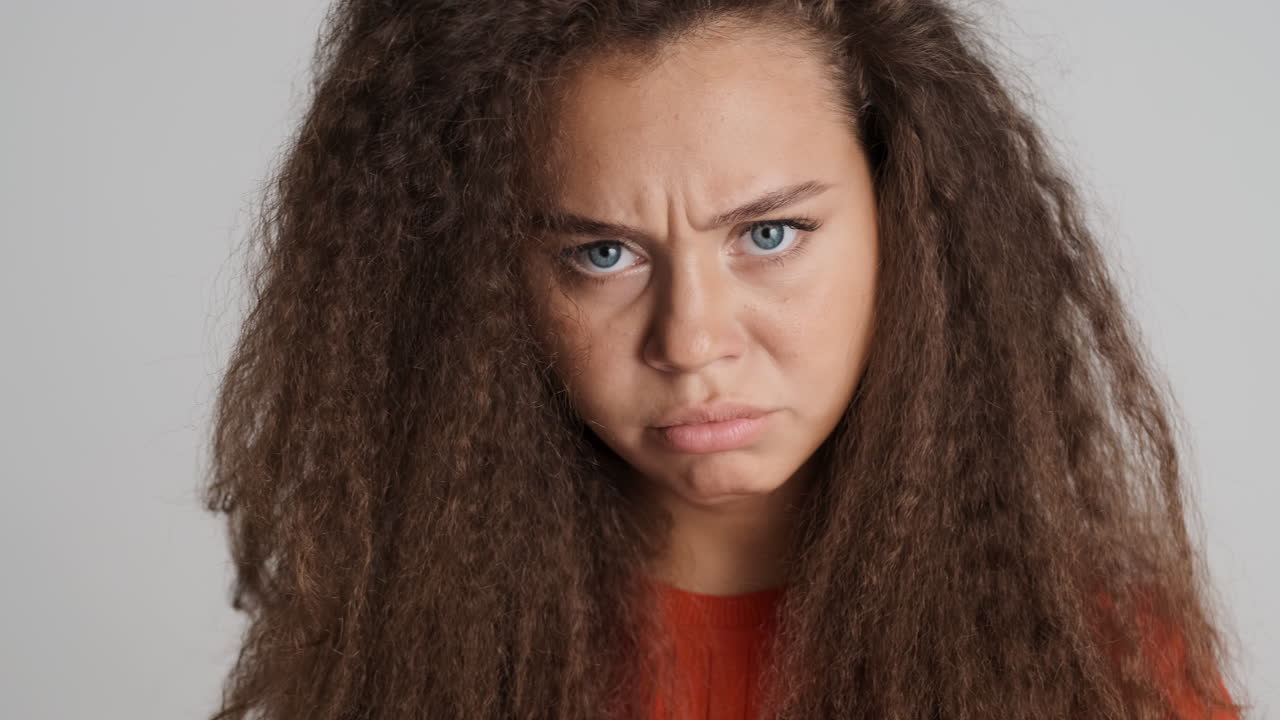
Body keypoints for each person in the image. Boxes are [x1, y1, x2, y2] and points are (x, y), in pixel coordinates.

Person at [202, 1, 1246, 718]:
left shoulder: (1101, 669)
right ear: (483, 289)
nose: (692, 341)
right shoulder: (395, 666)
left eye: (768, 235)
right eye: (601, 254)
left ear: (905, 219)